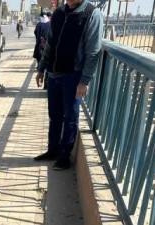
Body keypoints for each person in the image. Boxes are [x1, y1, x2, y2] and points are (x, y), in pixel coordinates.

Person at [34, 0, 103, 170]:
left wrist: (84, 81)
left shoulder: (92, 14)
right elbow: (50, 43)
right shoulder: (58, 13)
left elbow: (93, 51)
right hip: (53, 73)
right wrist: (41, 68)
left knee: (70, 118)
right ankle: (53, 151)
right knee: (54, 115)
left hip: (73, 76)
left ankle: (65, 157)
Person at [33, 12, 51, 89]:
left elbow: (35, 33)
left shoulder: (38, 24)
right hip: (48, 49)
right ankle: (46, 84)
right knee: (47, 67)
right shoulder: (50, 24)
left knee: (41, 64)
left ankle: (41, 76)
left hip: (39, 47)